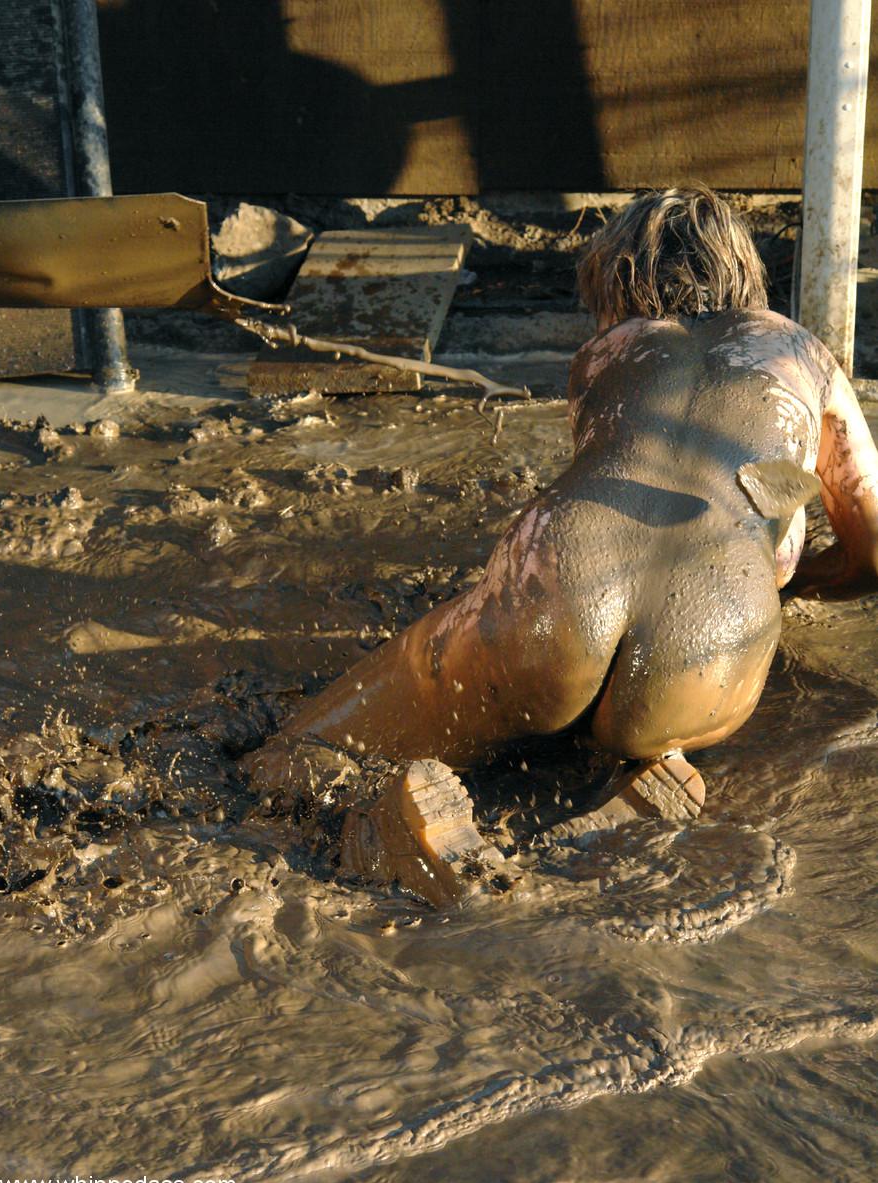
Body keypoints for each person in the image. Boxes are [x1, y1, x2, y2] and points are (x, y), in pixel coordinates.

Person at [244, 187, 878, 907]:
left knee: (313, 747)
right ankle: (630, 775)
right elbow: (872, 554)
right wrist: (792, 583)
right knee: (629, 693)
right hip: (719, 650)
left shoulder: (607, 353)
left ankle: (386, 823)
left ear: (619, 283)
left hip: (562, 604)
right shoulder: (805, 355)